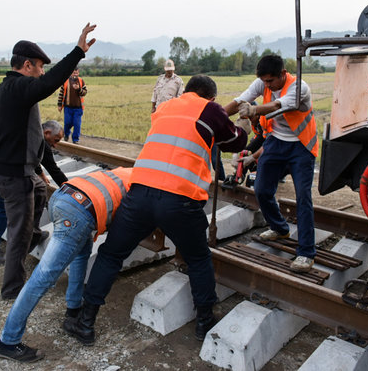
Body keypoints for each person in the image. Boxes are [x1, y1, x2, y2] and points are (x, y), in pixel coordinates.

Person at [64, 75, 249, 346]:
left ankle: (86, 322)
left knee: (111, 254)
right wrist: (243, 125)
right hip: (180, 201)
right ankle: (204, 321)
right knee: (198, 259)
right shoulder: (210, 110)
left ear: (187, 91)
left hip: (139, 193)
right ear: (210, 97)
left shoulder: (166, 107)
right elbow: (235, 142)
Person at [0, 23, 96, 300]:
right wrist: (77, 52)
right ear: (28, 65)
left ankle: (32, 235)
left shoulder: (2, 91)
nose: (42, 72)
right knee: (17, 234)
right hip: (14, 176)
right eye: (40, 66)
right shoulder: (20, 87)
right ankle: (14, 290)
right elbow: (48, 83)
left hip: (11, 172)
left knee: (39, 188)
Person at [0, 167, 132, 363]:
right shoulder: (144, 187)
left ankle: (73, 310)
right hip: (79, 213)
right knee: (43, 277)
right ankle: (7, 341)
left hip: (63, 196)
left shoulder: (128, 171)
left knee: (81, 254)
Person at [225, 55, 318, 273]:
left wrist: (255, 110)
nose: (266, 86)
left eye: (270, 82)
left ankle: (306, 253)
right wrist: (216, 116)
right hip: (276, 142)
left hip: (301, 146)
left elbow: (277, 105)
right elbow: (241, 100)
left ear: (283, 74)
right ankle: (279, 228)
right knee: (262, 189)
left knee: (303, 198)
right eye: (264, 82)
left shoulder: (298, 87)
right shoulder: (262, 82)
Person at [0, 121, 68, 265]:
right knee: (2, 206)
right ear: (46, 133)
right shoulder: (39, 141)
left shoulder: (28, 130)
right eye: (56, 140)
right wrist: (70, 189)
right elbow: (54, 169)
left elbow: (31, 158)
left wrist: (40, 173)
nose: (55, 145)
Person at [57, 67, 87, 143]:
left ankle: (75, 140)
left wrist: (78, 89)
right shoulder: (65, 81)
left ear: (78, 73)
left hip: (78, 108)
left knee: (77, 124)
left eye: (77, 73)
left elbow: (85, 92)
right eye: (74, 73)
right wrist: (59, 105)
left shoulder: (81, 81)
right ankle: (66, 134)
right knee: (67, 123)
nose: (75, 74)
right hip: (68, 107)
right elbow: (61, 94)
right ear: (71, 73)